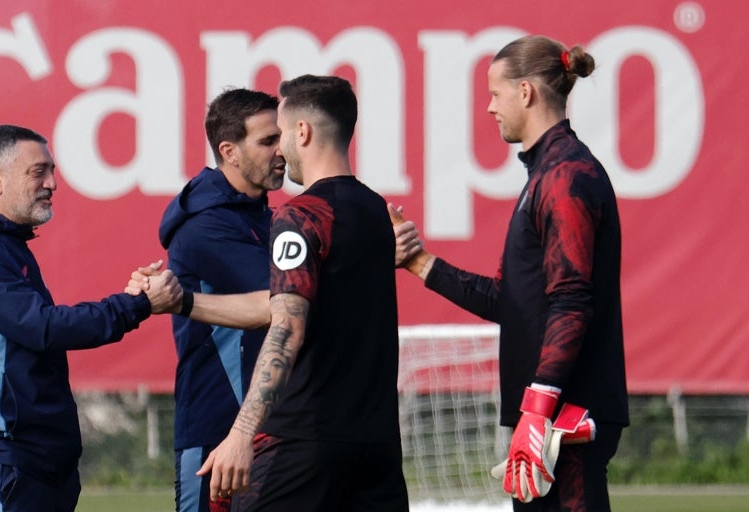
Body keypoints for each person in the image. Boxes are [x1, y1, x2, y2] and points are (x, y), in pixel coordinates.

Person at [393, 35, 628, 511]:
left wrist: (539, 409)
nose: (488, 108)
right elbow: (511, 302)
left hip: (565, 419)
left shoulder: (565, 176)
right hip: (547, 417)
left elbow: (571, 300)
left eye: (495, 93)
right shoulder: (545, 173)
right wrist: (419, 263)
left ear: (526, 93)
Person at [0, 124, 181, 512]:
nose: (52, 183)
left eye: (53, 170)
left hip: (40, 460)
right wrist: (139, 305)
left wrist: (134, 300)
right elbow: (43, 327)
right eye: (38, 171)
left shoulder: (5, 244)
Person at [197, 74, 410, 511]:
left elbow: (286, 326)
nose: (279, 149)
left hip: (304, 445)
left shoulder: (302, 214)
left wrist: (241, 434)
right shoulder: (375, 211)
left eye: (281, 134)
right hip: (378, 447)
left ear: (303, 132)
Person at [157, 88, 284, 512]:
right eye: (268, 141)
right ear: (229, 151)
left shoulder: (263, 216)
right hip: (217, 430)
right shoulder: (205, 227)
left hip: (270, 428)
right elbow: (287, 302)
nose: (282, 150)